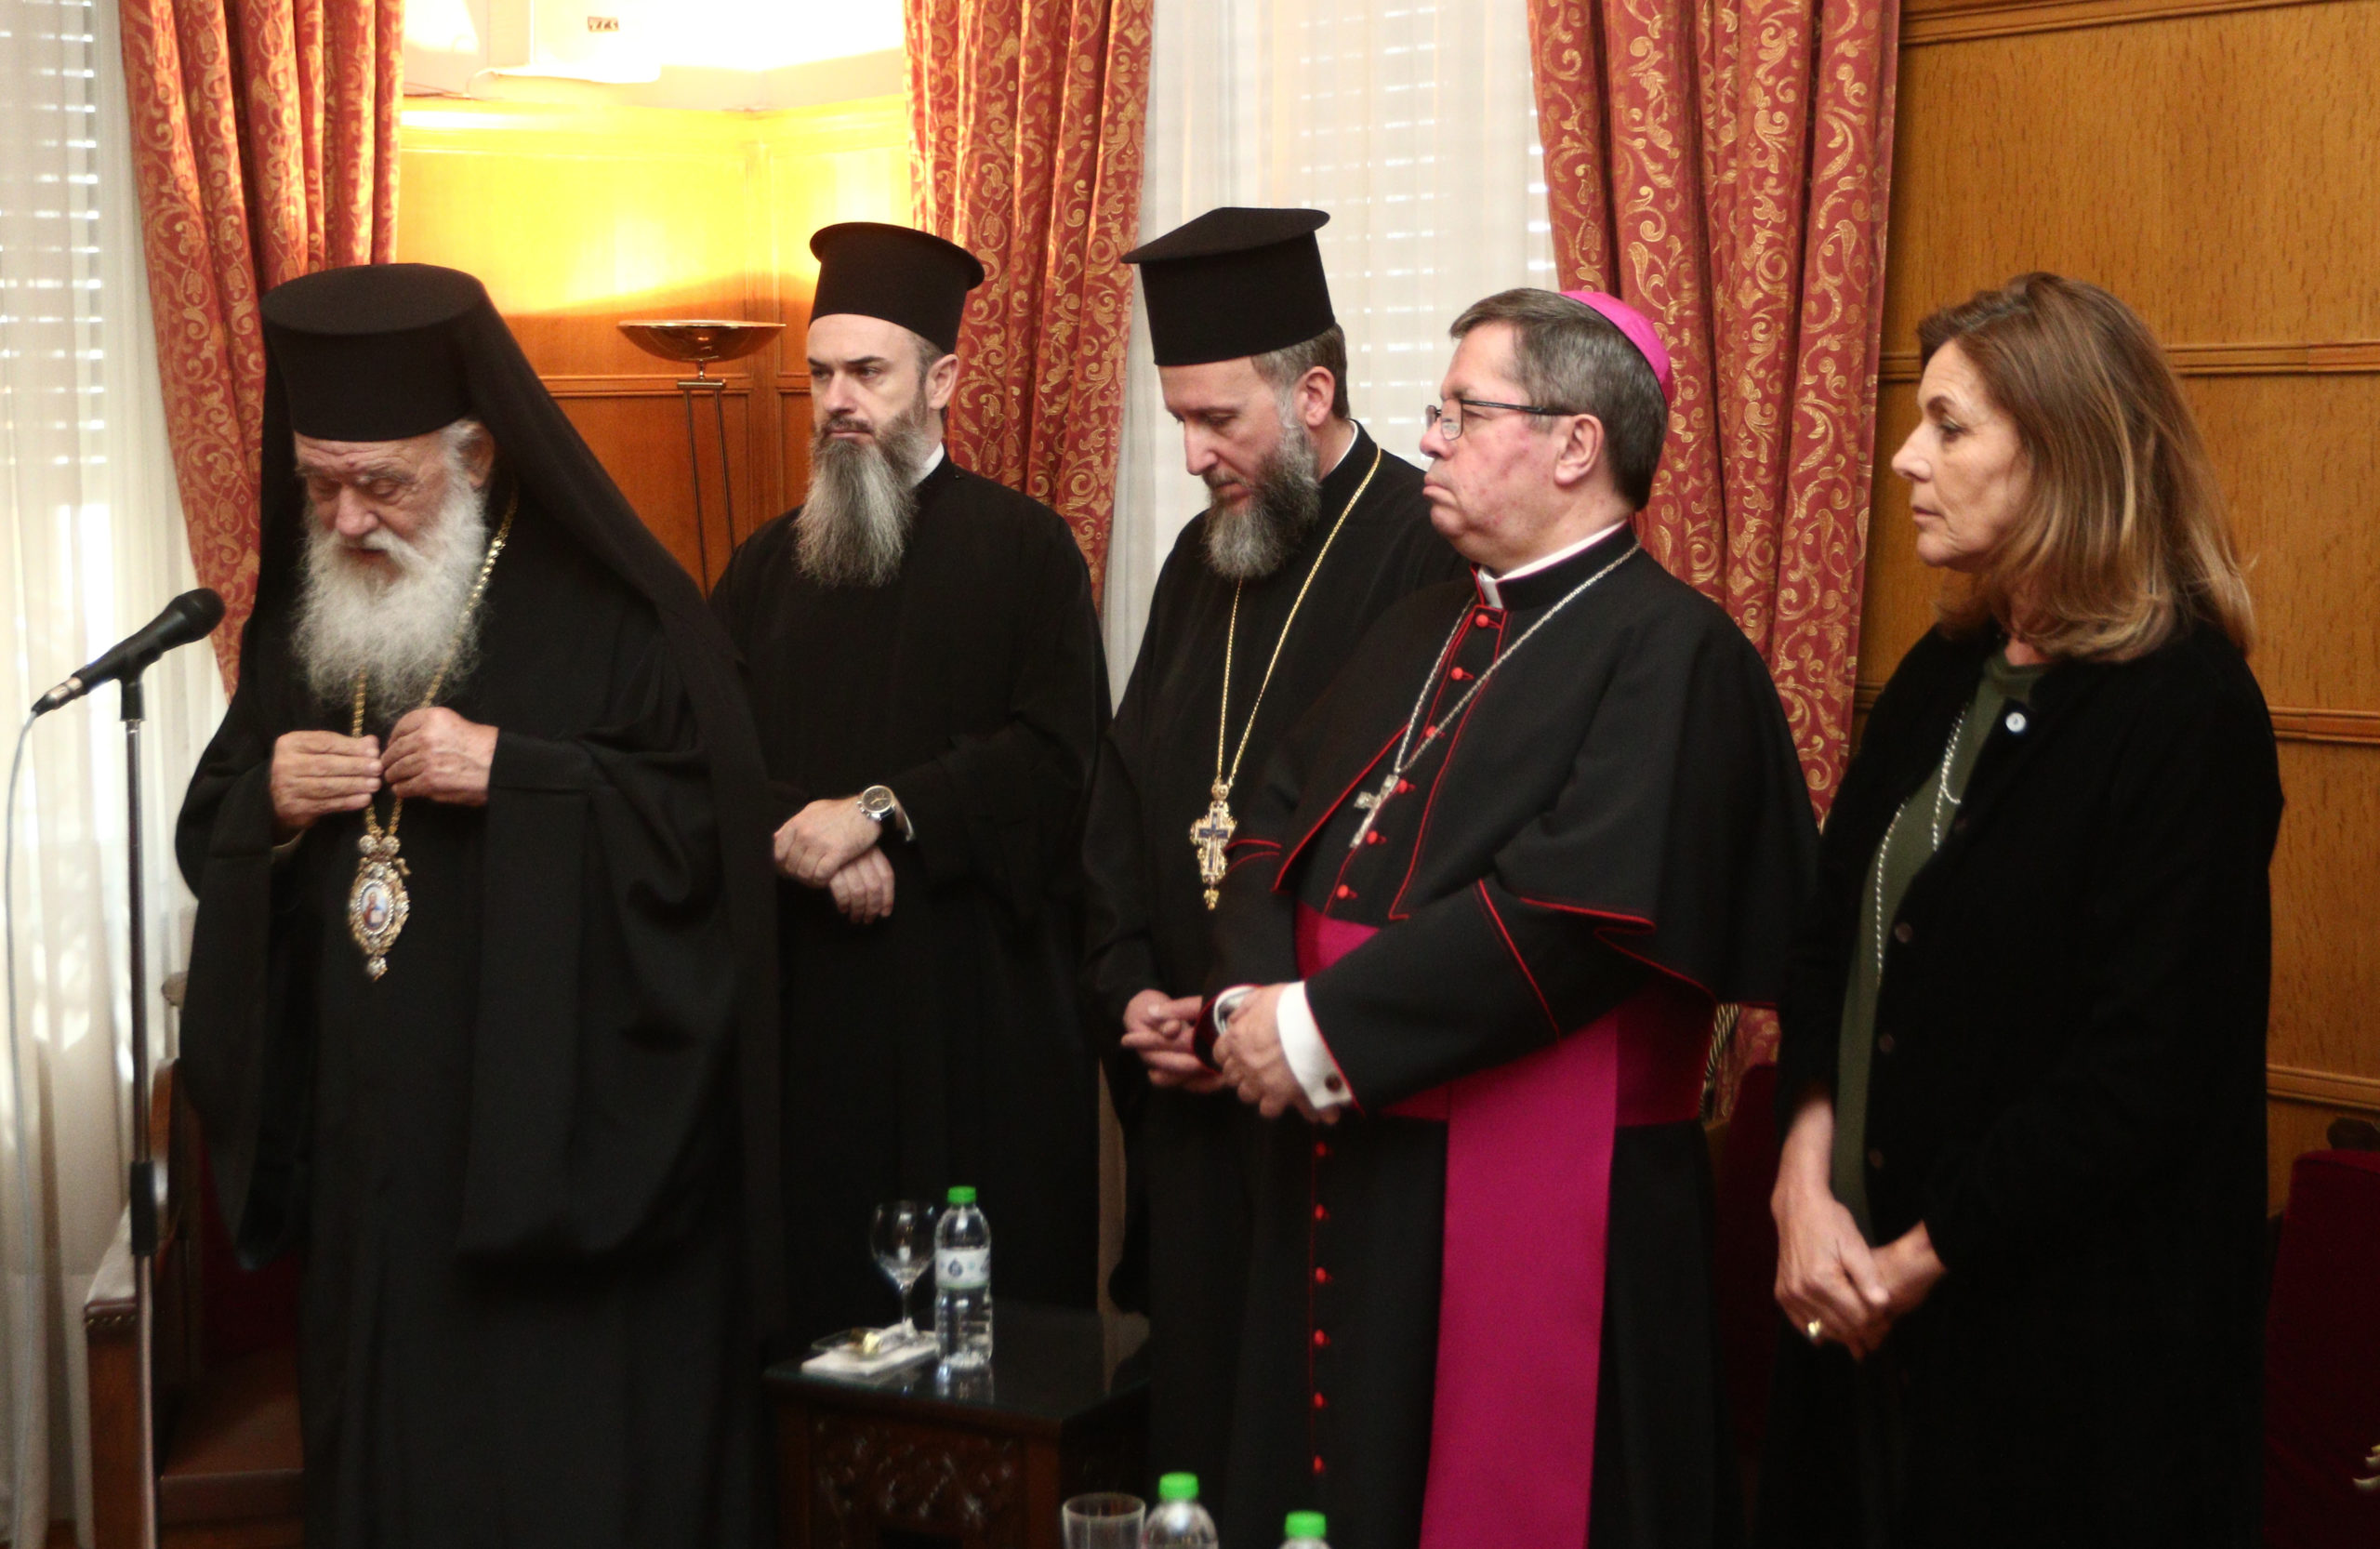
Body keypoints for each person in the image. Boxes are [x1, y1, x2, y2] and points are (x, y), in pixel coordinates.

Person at [1200, 287, 1818, 1549]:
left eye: (1463, 412)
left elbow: (1568, 919)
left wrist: (1313, 1030)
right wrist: (1247, 999)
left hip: (1545, 1192)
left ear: (1576, 444)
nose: (1429, 439)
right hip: (1355, 1159)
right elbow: (1271, 817)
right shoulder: (1421, 622)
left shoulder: (1678, 654)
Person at [176, 263, 778, 1547]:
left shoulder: (620, 616)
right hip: (370, 1166)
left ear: (476, 453)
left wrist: (522, 773)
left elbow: (711, 832)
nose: (346, 519)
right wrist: (263, 805)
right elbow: (210, 820)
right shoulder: (303, 630)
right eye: (318, 484)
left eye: (380, 483)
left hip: (555, 1176)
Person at [1758, 274, 2279, 1549]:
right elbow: (1826, 941)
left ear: (2061, 455)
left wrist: (1915, 1260)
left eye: (1948, 426)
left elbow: (2141, 1072)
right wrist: (1802, 1183)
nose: (1904, 457)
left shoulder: (2187, 711)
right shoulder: (1945, 669)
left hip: (2065, 1370)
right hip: (1853, 1308)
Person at [1087, 205, 1463, 1505]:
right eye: (1178, 422)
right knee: (1197, 1440)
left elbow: (1420, 839)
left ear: (1310, 395)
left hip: (1324, 1095)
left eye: (1218, 421)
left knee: (1316, 1448)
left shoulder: (1424, 549)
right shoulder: (1201, 561)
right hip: (1190, 1100)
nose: (1193, 456)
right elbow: (1124, 789)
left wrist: (1256, 1006)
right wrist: (1130, 984)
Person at [710, 222, 1108, 1343]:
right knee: (818, 1316)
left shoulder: (1027, 549)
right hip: (812, 1012)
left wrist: (885, 813)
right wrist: (812, 835)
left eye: (868, 373)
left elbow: (1060, 755)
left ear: (940, 380)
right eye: (820, 375)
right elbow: (702, 752)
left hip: (971, 1004)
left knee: (980, 1331)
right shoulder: (763, 565)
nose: (838, 401)